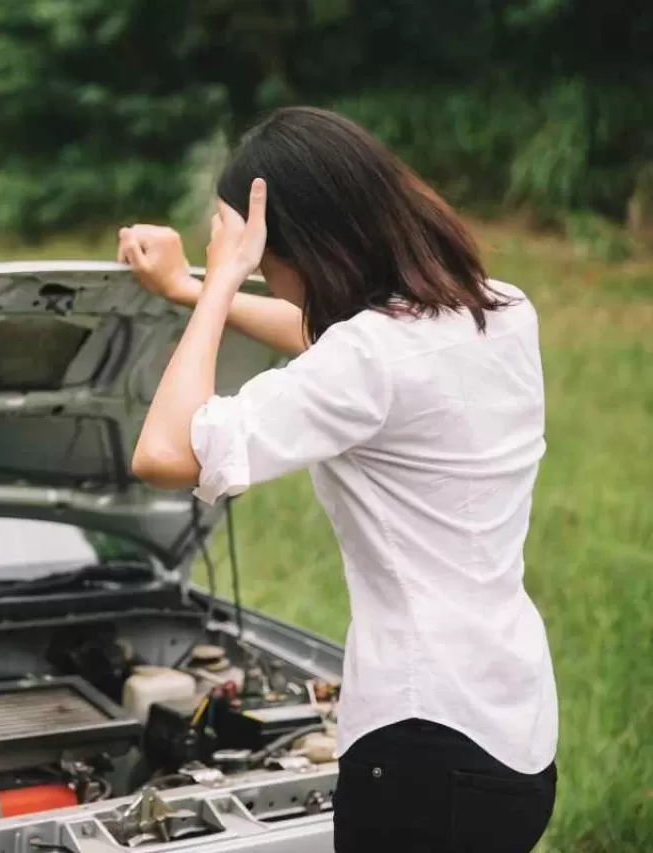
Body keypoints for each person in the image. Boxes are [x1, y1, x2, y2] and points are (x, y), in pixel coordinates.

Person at [118, 106, 558, 852]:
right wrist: (187, 288)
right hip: (514, 733)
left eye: (268, 258)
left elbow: (162, 451)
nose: (269, 275)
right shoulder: (504, 310)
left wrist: (221, 279)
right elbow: (335, 338)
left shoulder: (370, 361)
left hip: (420, 744)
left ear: (307, 246)